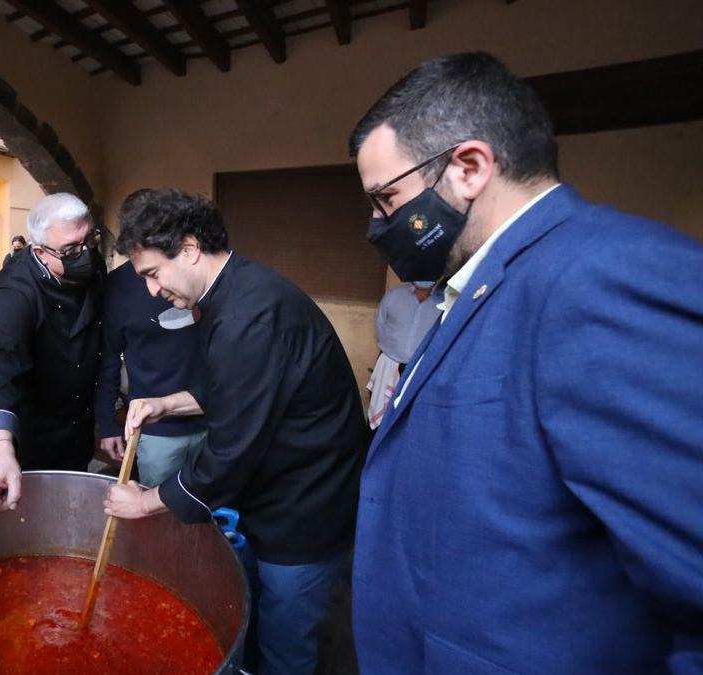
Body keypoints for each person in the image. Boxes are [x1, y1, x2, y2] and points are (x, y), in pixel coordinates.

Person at [348, 52, 703, 674]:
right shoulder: (484, 283)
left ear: (468, 167)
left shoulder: (601, 277)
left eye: (387, 199)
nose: (380, 224)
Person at [104, 189, 370, 675]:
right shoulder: (236, 291)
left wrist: (145, 502)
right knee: (255, 624)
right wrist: (168, 402)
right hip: (279, 497)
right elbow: (242, 389)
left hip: (304, 510)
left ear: (188, 248)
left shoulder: (249, 316)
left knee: (285, 649)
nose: (151, 290)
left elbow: (230, 451)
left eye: (152, 273)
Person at [0, 192, 104, 536]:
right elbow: (0, 364)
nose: (86, 253)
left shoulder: (92, 261)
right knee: (28, 527)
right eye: (72, 250)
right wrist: (1, 447)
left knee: (69, 519)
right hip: (31, 434)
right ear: (40, 251)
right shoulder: (15, 290)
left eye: (91, 240)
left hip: (76, 424)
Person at [95, 190, 204, 486]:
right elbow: (107, 360)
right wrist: (107, 425)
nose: (155, 288)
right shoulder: (116, 288)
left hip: (213, 419)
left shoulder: (198, 275)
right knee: (160, 514)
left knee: (212, 515)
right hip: (157, 432)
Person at [365, 280, 442, 429]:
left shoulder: (444, 302)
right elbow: (380, 326)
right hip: (389, 365)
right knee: (379, 416)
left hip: (420, 371)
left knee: (408, 420)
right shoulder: (394, 296)